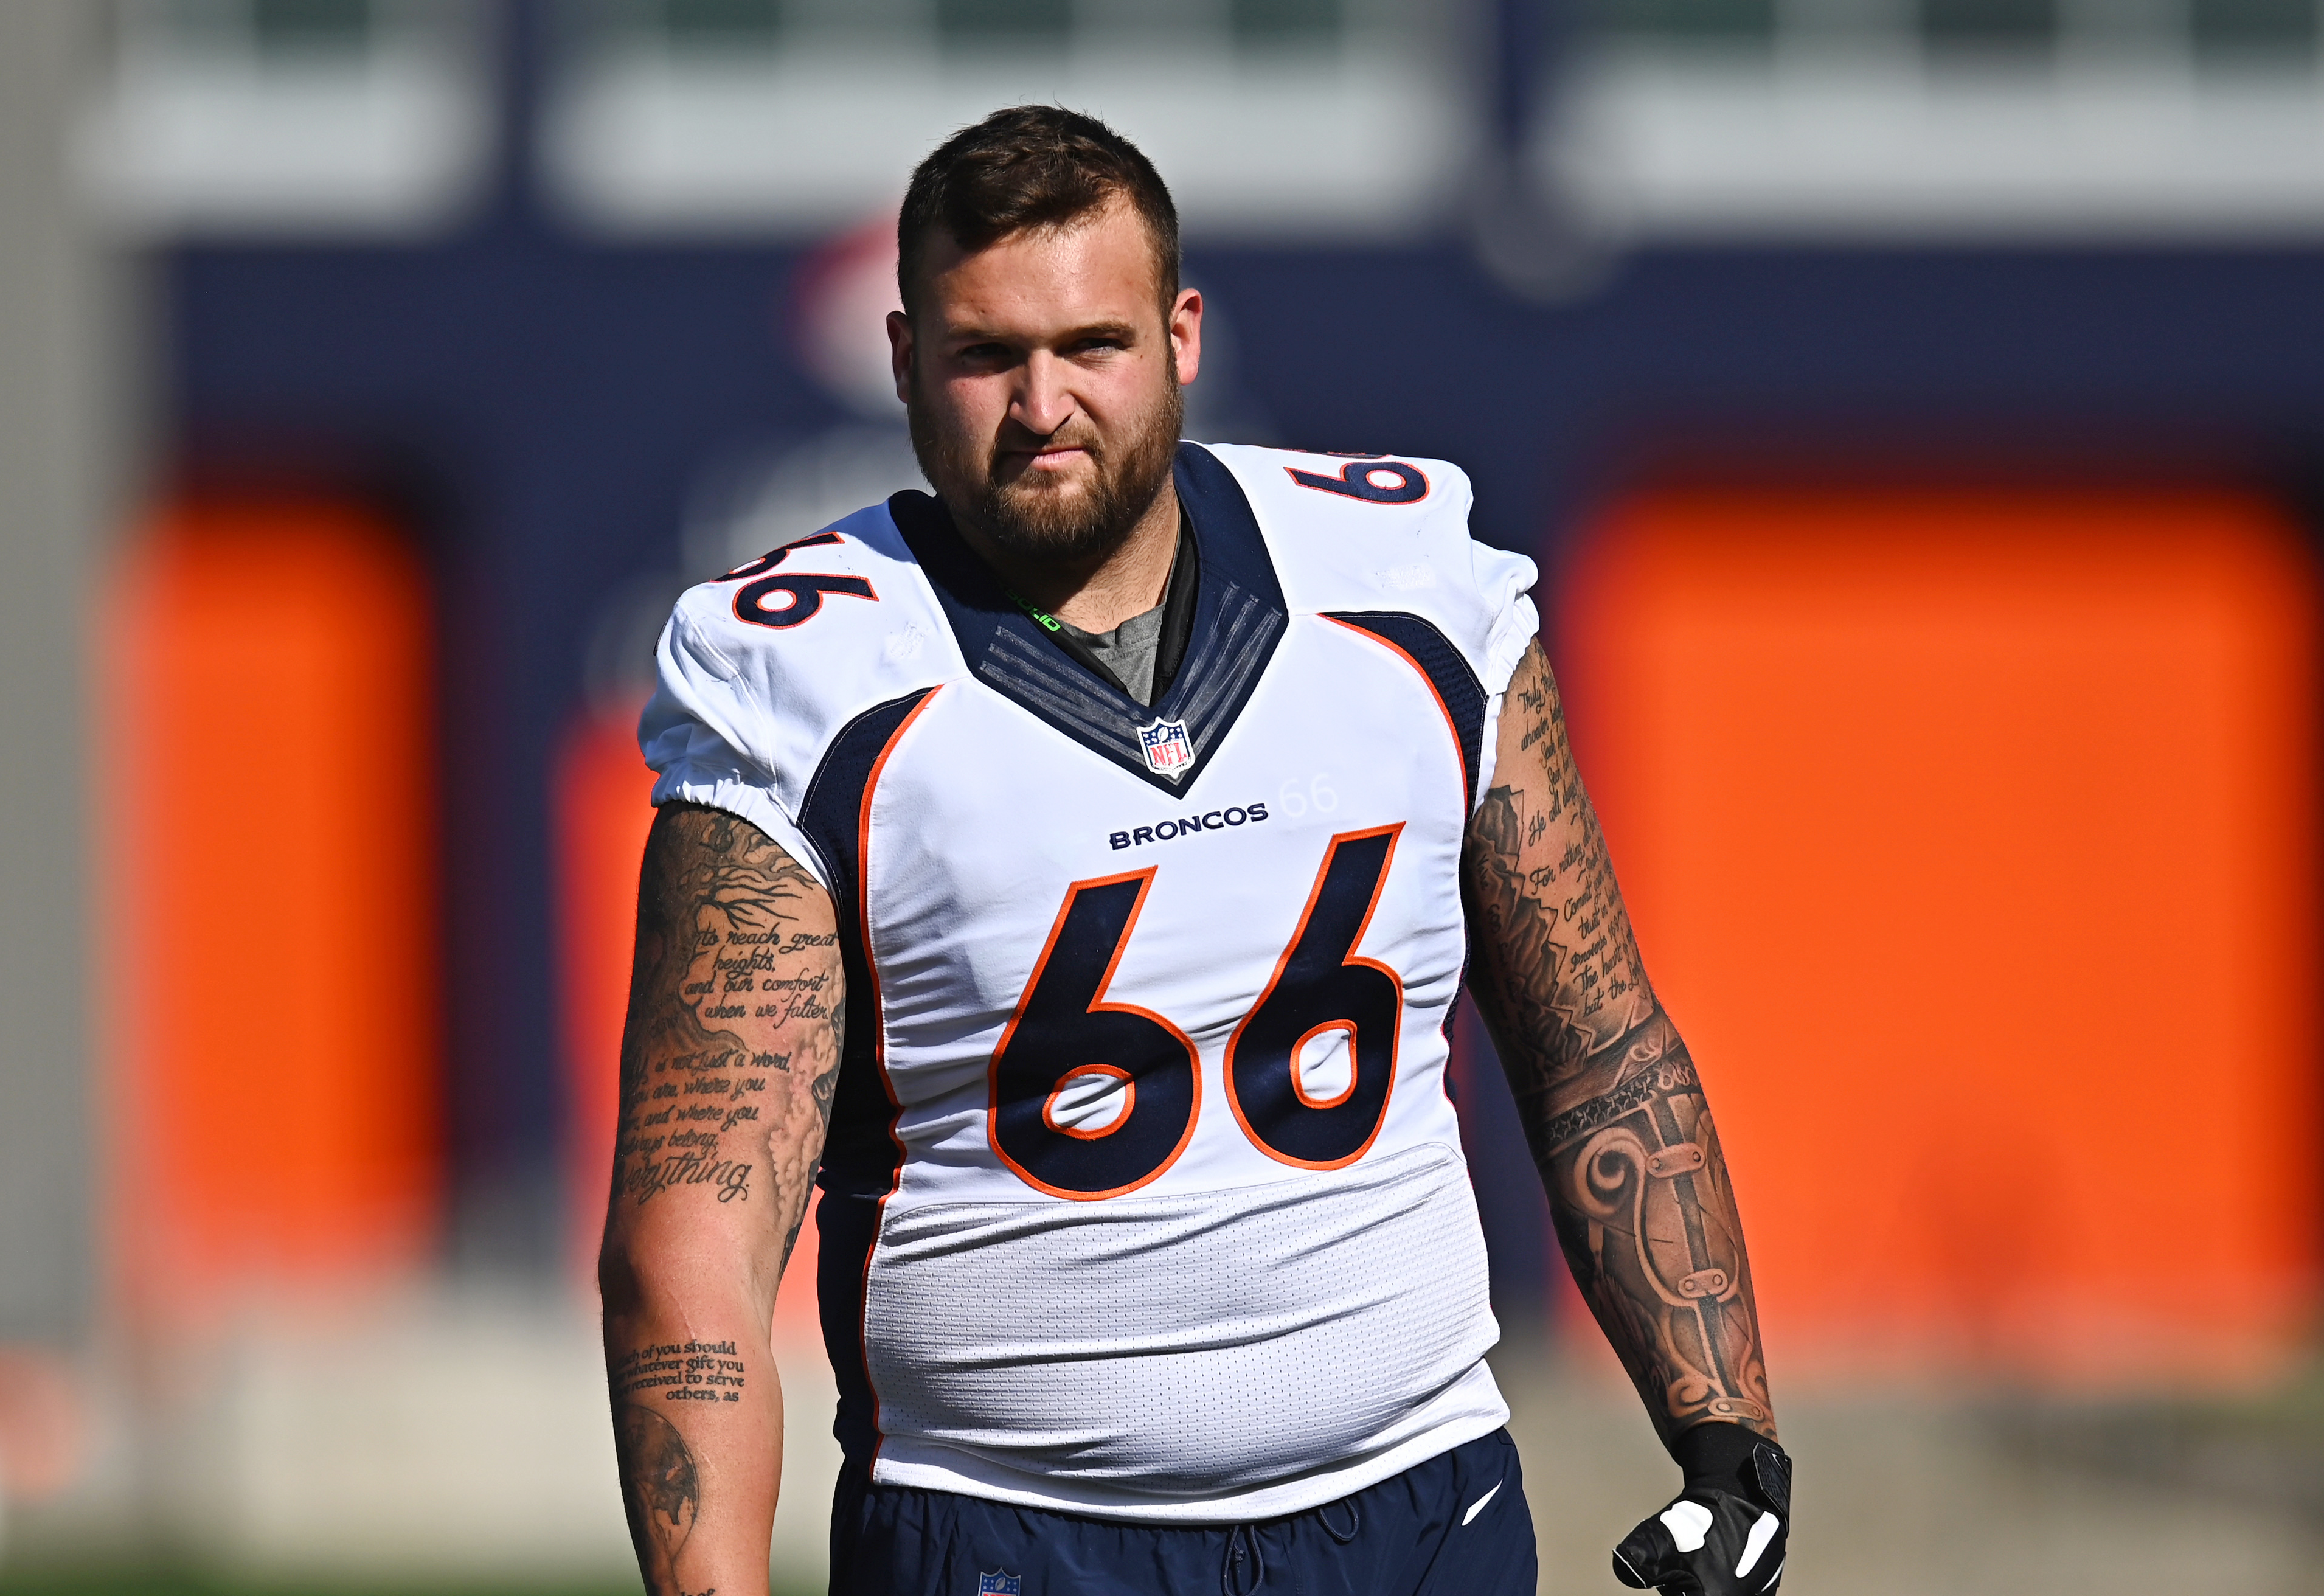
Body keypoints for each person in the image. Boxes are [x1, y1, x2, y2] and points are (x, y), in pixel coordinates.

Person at [599, 105, 1789, 1596]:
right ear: (903, 362)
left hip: (1416, 1509)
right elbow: (696, 1226)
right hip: (1011, 1534)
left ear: (1181, 336)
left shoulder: (1414, 586)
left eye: (1091, 344)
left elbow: (1596, 1042)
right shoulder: (798, 671)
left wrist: (1725, 1434)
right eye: (986, 356)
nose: (1042, 405)